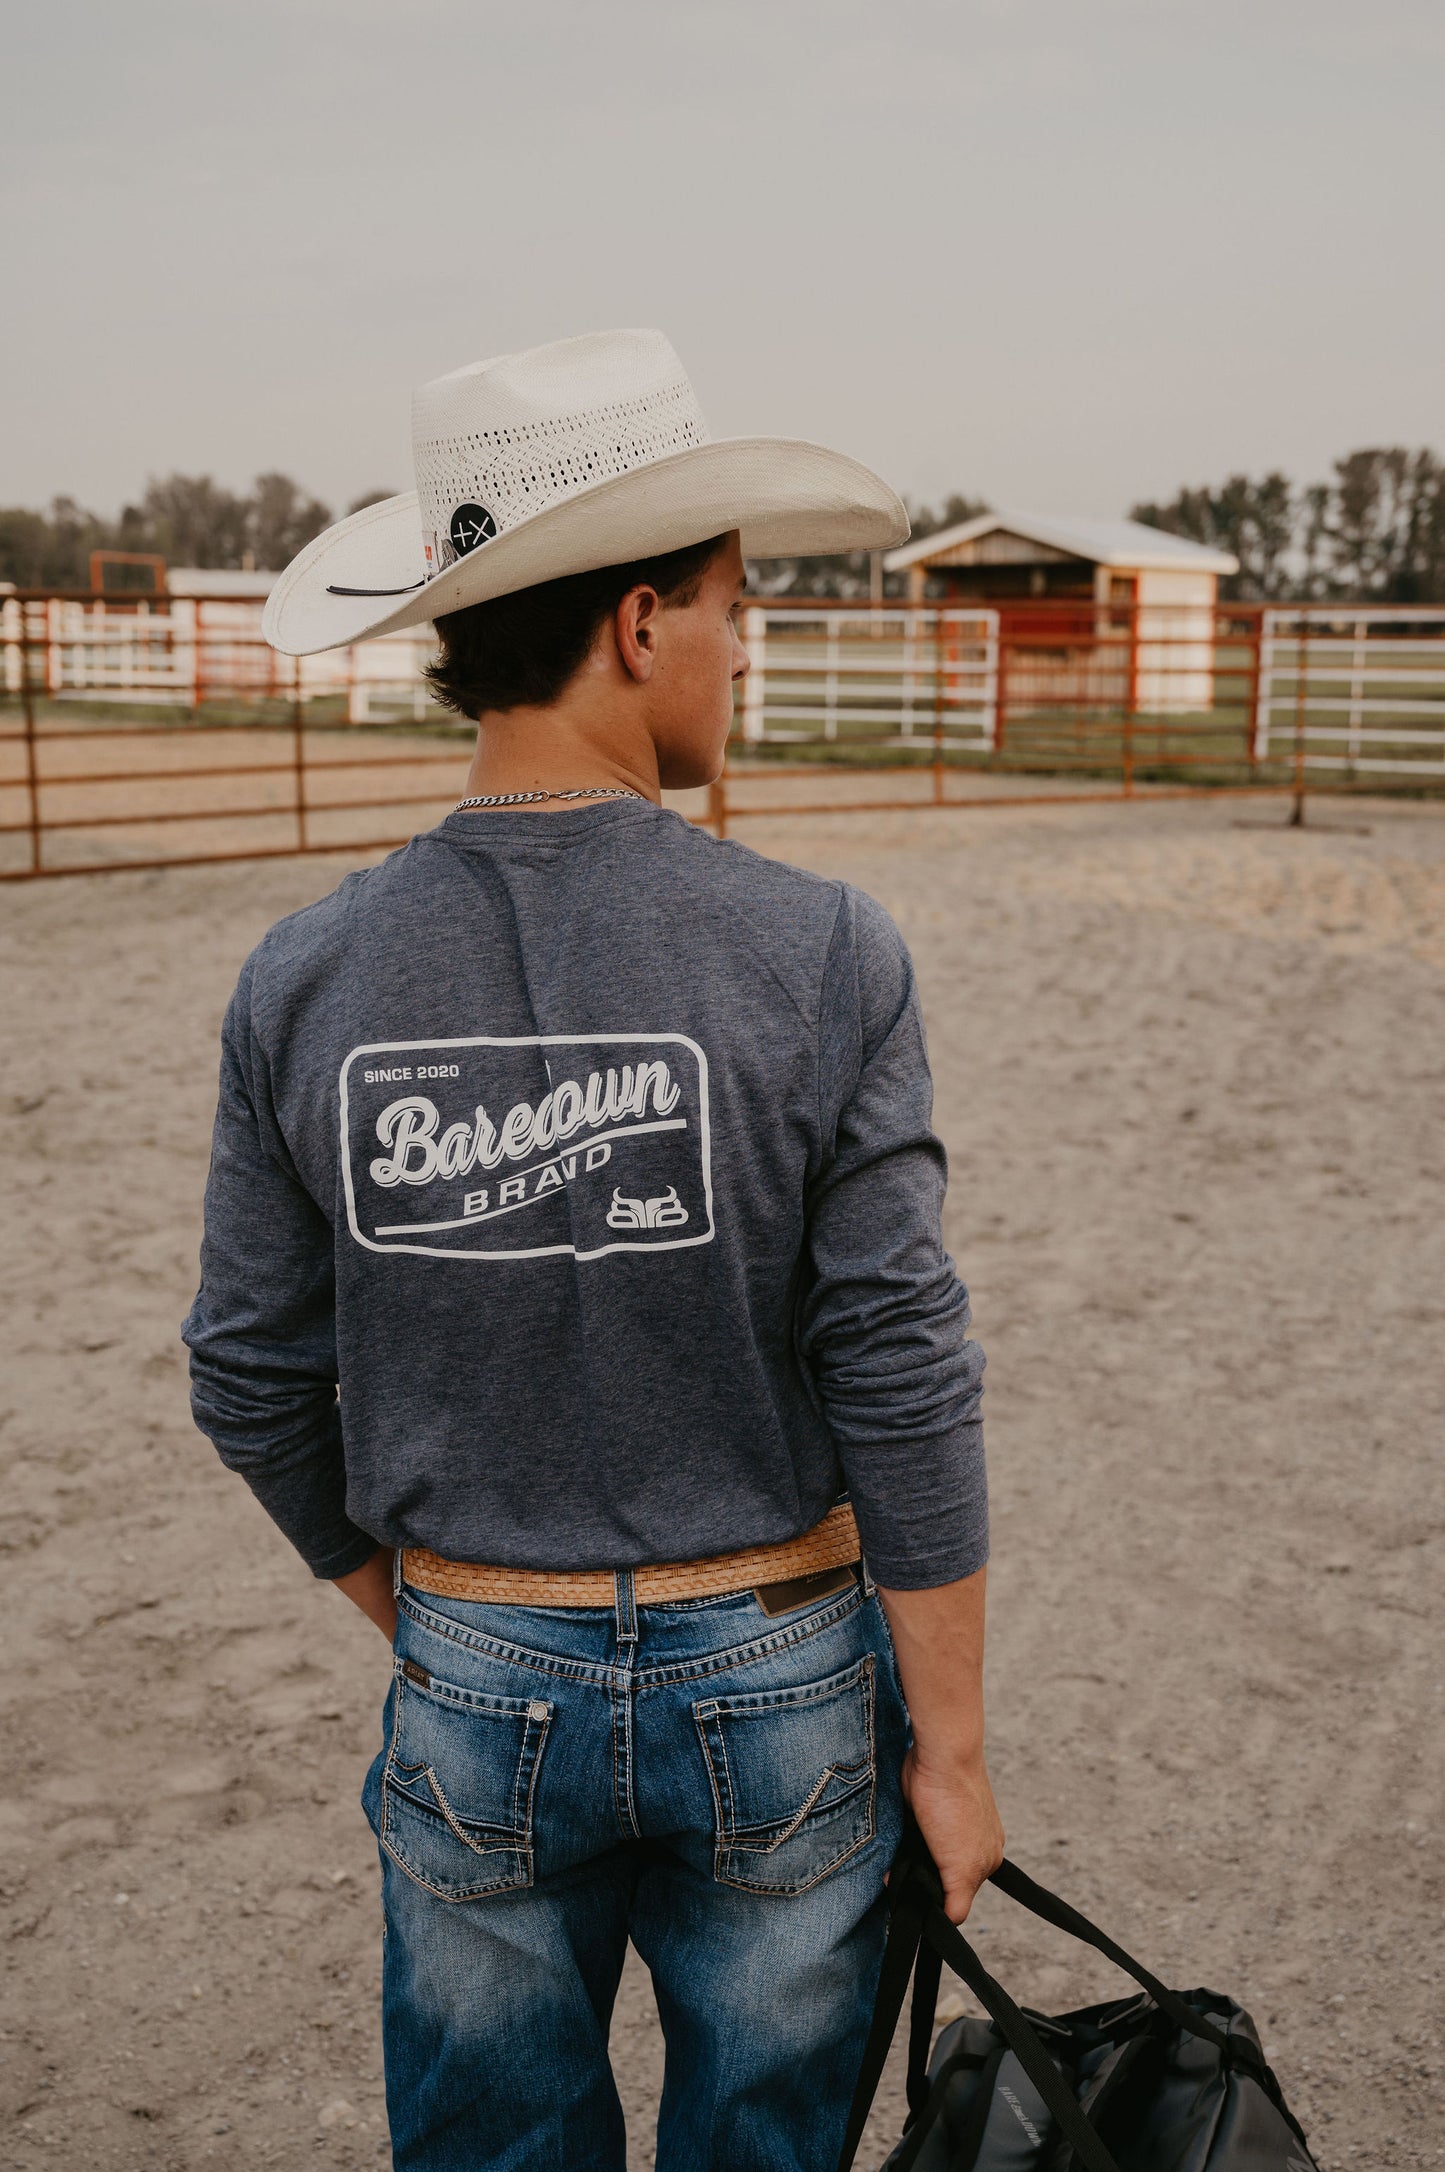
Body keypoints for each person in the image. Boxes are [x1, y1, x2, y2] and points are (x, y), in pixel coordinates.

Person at [184, 328, 1003, 2172]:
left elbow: (245, 1365)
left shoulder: (305, 975)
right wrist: (947, 1751)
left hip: (478, 1653)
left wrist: (429, 1618)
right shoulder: (821, 949)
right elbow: (896, 1357)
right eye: (730, 606)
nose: (742, 644)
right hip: (782, 1656)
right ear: (638, 626)